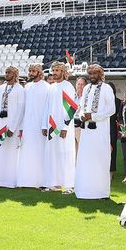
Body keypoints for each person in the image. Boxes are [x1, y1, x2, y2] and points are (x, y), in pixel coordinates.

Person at [75, 64, 116, 200]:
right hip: (86, 132)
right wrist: (82, 115)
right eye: (90, 73)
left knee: (99, 160)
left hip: (100, 132)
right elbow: (81, 106)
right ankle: (84, 190)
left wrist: (93, 116)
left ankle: (101, 193)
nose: (92, 76)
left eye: (95, 73)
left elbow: (111, 110)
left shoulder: (107, 88)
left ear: (101, 74)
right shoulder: (86, 88)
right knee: (85, 160)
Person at [42, 61, 77, 193]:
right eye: (53, 70)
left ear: (63, 72)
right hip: (52, 126)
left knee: (65, 154)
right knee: (52, 153)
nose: (54, 73)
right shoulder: (51, 87)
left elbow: (71, 109)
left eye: (57, 70)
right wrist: (44, 125)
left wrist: (64, 127)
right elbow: (47, 107)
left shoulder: (68, 86)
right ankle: (53, 183)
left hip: (63, 127)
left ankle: (69, 185)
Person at [0, 66, 25, 188]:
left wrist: (13, 128)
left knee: (11, 154)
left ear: (15, 74)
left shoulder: (20, 89)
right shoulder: (1, 88)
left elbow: (20, 110)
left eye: (9, 72)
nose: (6, 74)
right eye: (6, 72)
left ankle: (10, 181)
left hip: (12, 126)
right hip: (0, 124)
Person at [16, 63, 50, 188]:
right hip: (27, 125)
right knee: (26, 151)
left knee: (40, 152)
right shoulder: (27, 87)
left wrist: (45, 124)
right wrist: (21, 126)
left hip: (41, 126)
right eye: (30, 71)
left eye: (33, 71)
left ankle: (40, 181)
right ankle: (25, 180)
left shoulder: (47, 87)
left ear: (39, 72)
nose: (30, 73)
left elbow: (48, 108)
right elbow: (23, 108)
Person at [108, 80, 122, 179]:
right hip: (101, 127)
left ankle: (111, 170)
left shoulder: (117, 101)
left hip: (112, 127)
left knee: (112, 148)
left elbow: (117, 116)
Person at [73, 76, 88, 153]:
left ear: (86, 86)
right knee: (72, 153)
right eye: (78, 84)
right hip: (71, 128)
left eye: (82, 84)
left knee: (82, 151)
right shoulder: (71, 96)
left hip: (81, 127)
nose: (80, 86)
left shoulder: (87, 98)